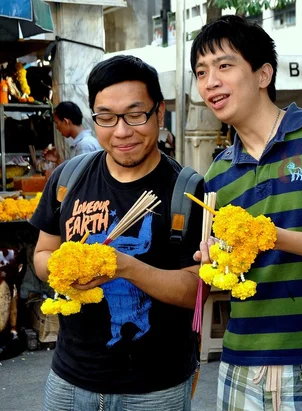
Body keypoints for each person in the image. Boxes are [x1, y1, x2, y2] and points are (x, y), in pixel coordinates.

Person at [191, 15, 302, 411]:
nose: (210, 82)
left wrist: (273, 236)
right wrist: (217, 263)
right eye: (201, 72)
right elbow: (235, 276)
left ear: (263, 74)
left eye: (224, 66)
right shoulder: (217, 175)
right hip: (240, 360)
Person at [30, 55, 203, 411]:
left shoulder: (187, 191)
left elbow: (196, 291)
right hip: (69, 380)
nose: (121, 131)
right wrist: (65, 269)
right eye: (106, 118)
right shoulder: (68, 178)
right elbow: (42, 254)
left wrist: (124, 267)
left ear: (159, 112)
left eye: (135, 115)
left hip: (155, 390)